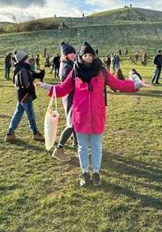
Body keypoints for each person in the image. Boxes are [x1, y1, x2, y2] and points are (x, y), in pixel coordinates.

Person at [36, 42, 151, 187]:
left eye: (91, 55)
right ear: (81, 56)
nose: (88, 58)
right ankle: (85, 173)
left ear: (94, 56)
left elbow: (118, 84)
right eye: (85, 55)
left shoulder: (102, 71)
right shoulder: (75, 72)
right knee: (82, 148)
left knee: (97, 147)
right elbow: (61, 89)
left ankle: (96, 173)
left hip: (97, 115)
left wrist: (137, 85)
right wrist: (44, 85)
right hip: (80, 116)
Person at [5, 51, 45, 143]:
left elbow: (30, 76)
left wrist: (39, 74)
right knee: (31, 115)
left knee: (18, 114)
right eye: (26, 58)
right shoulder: (22, 69)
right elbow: (26, 84)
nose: (28, 59)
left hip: (21, 96)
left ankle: (10, 134)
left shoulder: (23, 68)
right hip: (25, 96)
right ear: (23, 59)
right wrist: (32, 89)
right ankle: (35, 133)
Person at [51, 42, 77, 162]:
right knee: (72, 123)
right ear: (65, 55)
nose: (73, 54)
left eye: (73, 52)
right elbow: (71, 84)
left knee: (75, 122)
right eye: (70, 53)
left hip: (71, 96)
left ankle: (77, 145)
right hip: (70, 96)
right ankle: (59, 149)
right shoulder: (66, 67)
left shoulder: (68, 64)